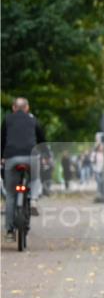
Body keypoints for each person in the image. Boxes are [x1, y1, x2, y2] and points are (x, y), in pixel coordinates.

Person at [2, 98, 45, 239]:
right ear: (27, 108)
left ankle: (9, 231)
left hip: (11, 158)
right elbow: (42, 140)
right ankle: (33, 199)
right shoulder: (34, 121)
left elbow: (2, 140)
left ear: (14, 108)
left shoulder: (7, 120)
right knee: (35, 178)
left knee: (10, 195)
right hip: (31, 157)